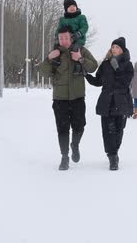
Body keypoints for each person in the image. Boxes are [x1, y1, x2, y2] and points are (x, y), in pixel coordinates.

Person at [40, 25, 98, 170]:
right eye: (61, 38)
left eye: (66, 37)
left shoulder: (80, 50)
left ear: (71, 37)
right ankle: (64, 157)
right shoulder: (55, 53)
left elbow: (94, 66)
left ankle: (75, 144)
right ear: (58, 39)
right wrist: (48, 58)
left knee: (79, 126)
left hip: (78, 97)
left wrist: (81, 59)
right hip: (60, 99)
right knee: (62, 129)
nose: (63, 40)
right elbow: (43, 72)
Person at [85, 37, 134, 170]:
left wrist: (117, 69)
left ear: (122, 50)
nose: (114, 49)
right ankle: (112, 157)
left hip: (121, 101)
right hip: (106, 102)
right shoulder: (105, 64)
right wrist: (86, 75)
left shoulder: (128, 65)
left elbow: (125, 82)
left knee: (118, 130)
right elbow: (98, 81)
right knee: (108, 131)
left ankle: (115, 152)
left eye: (117, 47)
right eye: (113, 47)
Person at [51, 0, 89, 75]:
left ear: (76, 7)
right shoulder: (63, 19)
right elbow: (58, 30)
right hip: (65, 40)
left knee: (75, 50)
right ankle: (56, 62)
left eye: (73, 6)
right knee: (57, 48)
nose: (72, 8)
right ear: (66, 9)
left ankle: (78, 66)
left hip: (78, 40)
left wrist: (79, 33)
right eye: (69, 7)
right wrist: (56, 39)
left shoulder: (81, 17)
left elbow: (85, 27)